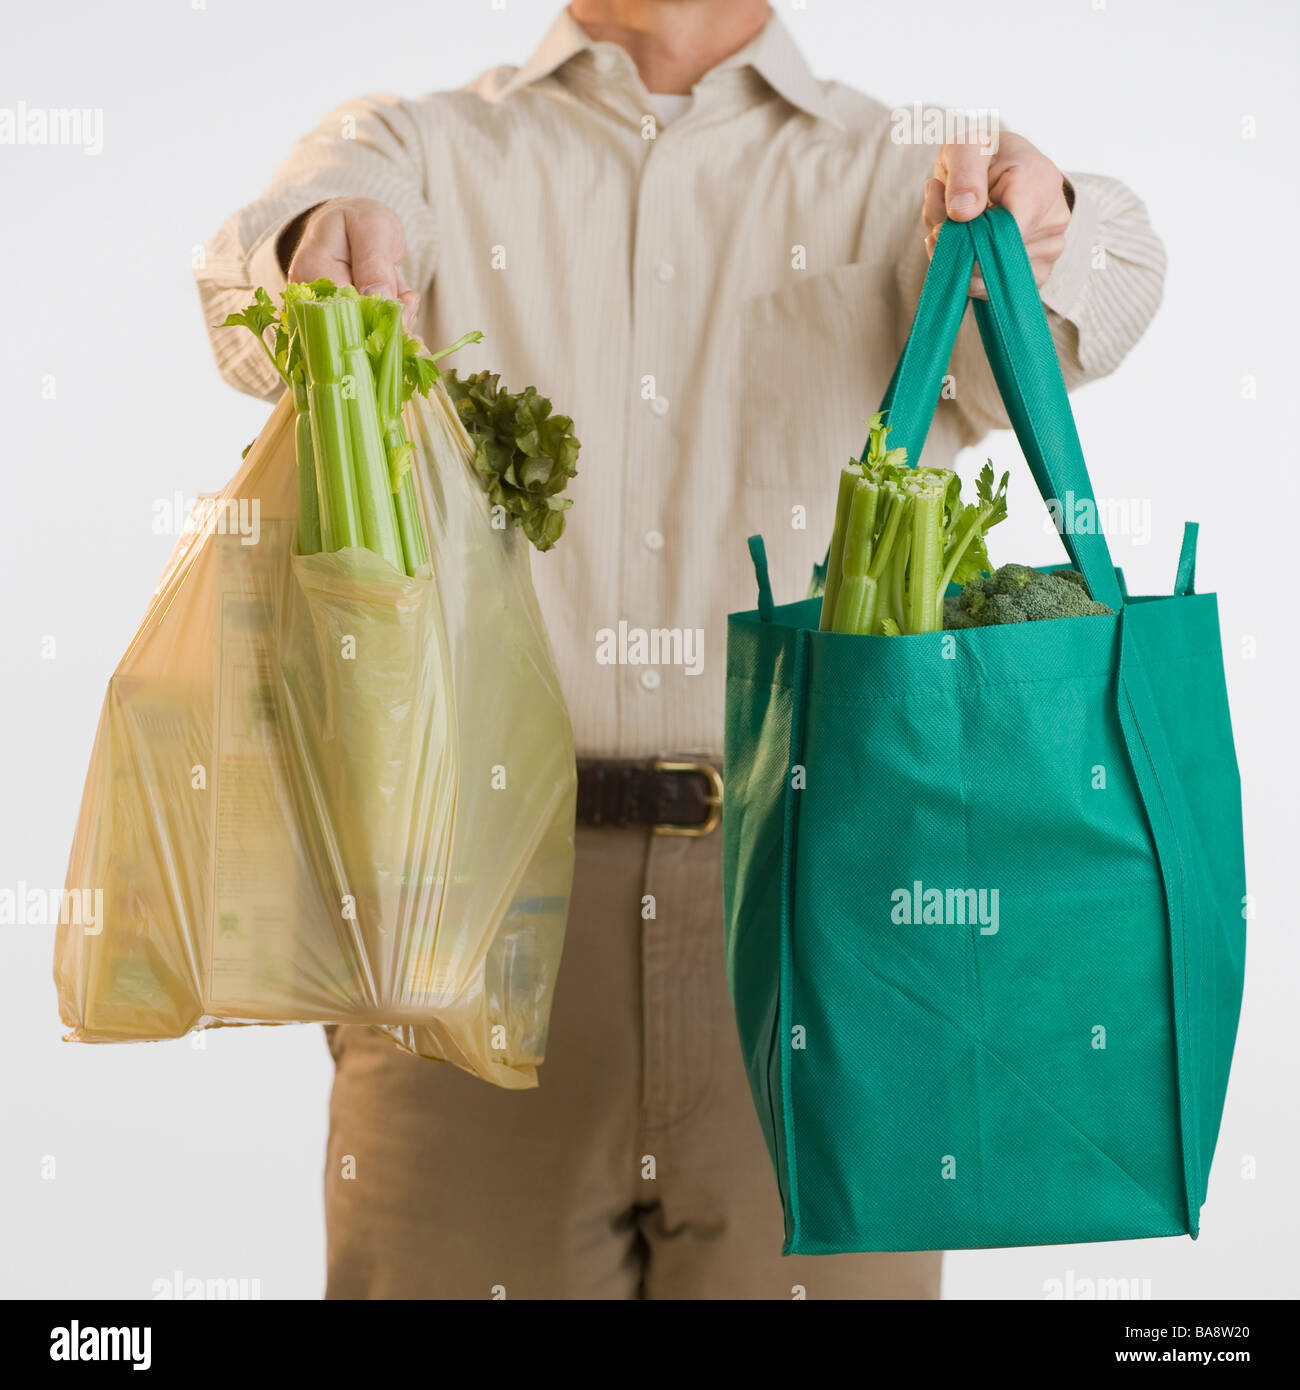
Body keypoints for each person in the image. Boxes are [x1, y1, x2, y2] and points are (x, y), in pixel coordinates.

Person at [198, 0, 1165, 1299]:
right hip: (467, 906)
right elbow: (290, 235)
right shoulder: (424, 147)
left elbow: (1108, 287)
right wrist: (324, 243)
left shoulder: (902, 174)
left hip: (827, 909)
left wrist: (1041, 217)